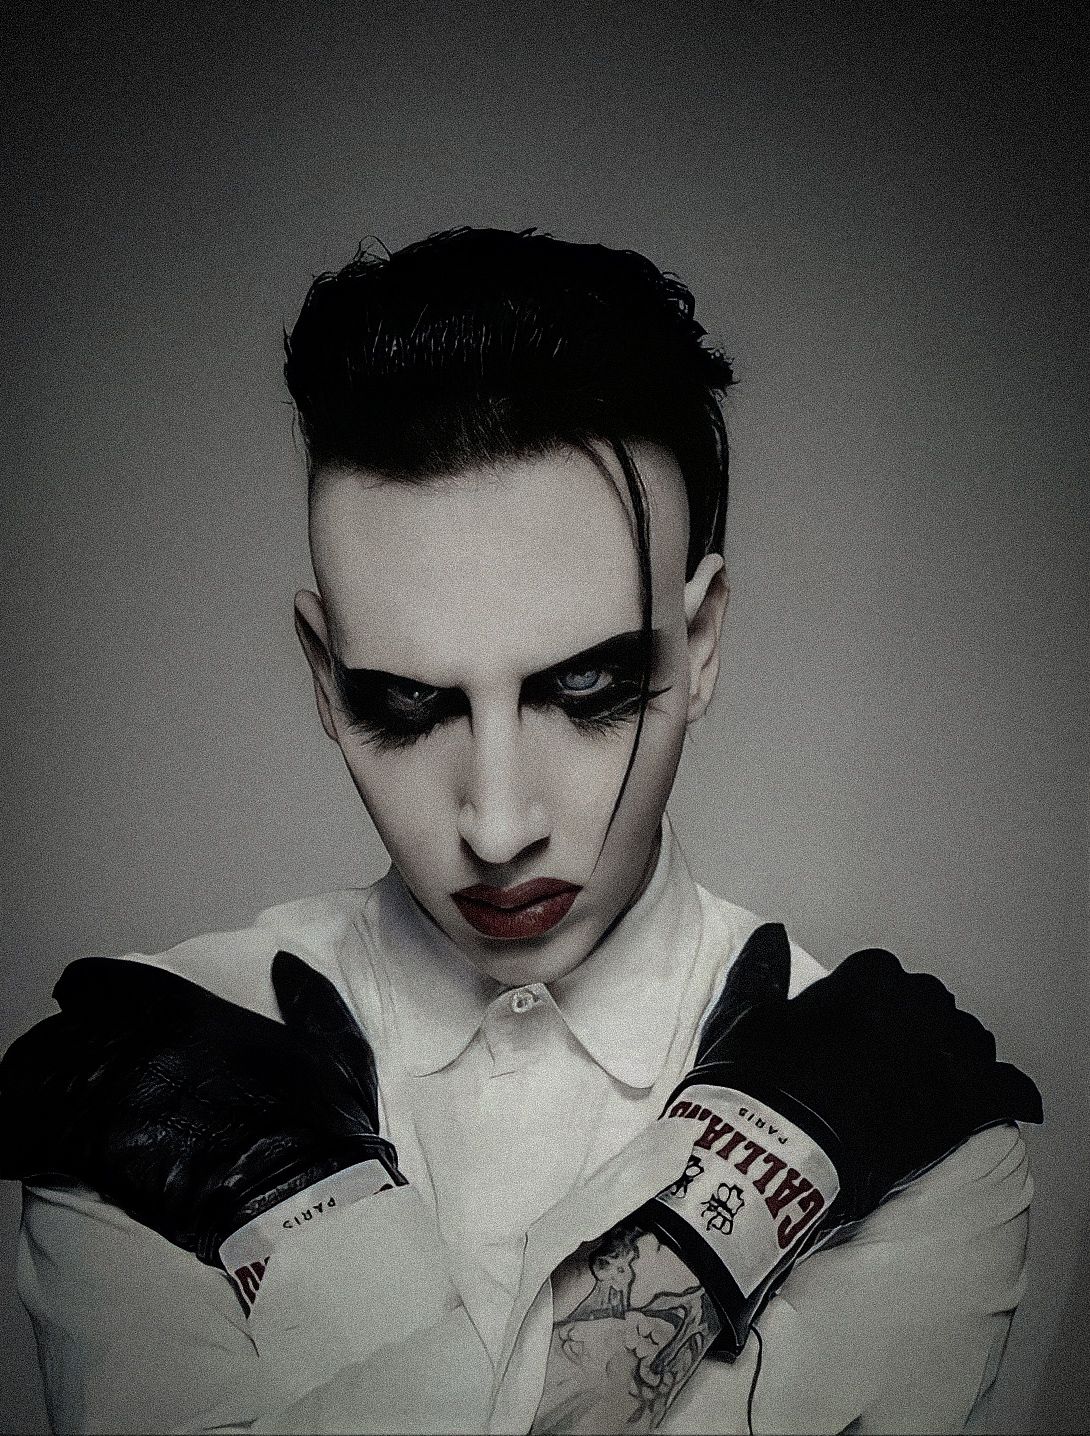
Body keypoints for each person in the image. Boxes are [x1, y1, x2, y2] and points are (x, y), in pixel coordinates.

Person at [0, 228, 1041, 1435]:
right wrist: (736, 1206)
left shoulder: (919, 1132)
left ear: (700, 643)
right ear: (325, 675)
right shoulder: (141, 1082)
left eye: (587, 687)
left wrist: (299, 1224)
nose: (496, 827)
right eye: (406, 701)